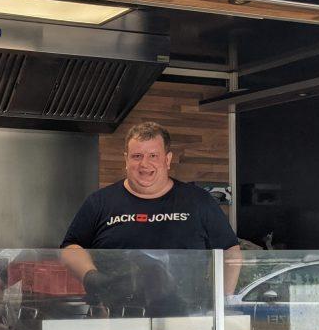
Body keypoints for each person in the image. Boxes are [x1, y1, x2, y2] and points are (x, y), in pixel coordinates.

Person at [60, 121, 241, 314]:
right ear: (126, 159)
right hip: (116, 316)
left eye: (153, 155)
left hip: (186, 317)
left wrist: (221, 304)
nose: (144, 164)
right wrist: (92, 278)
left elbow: (230, 250)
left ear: (168, 159)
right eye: (137, 156)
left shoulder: (199, 201)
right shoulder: (99, 202)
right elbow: (71, 247)